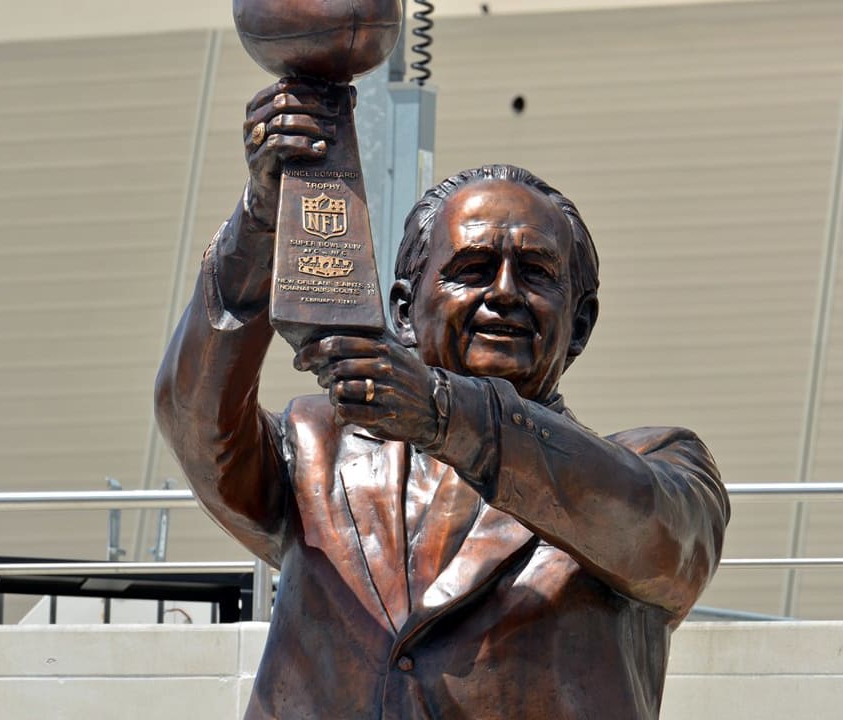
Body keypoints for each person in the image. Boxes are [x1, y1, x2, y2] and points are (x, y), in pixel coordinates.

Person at [155, 79, 729, 720]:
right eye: (473, 269)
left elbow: (655, 541)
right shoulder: (314, 449)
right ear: (403, 310)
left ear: (582, 322)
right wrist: (263, 218)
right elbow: (194, 419)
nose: (506, 292)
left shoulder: (658, 469)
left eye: (536, 272)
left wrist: (446, 412)